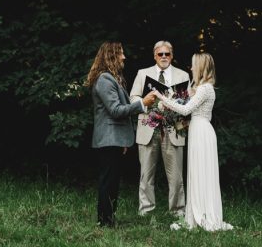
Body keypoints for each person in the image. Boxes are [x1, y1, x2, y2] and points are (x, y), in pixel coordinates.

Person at [153, 53, 233, 231]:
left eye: (193, 65)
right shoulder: (203, 88)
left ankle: (203, 215)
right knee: (198, 172)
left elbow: (186, 109)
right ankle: (199, 213)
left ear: (201, 67)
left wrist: (162, 98)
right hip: (198, 129)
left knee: (201, 171)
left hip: (202, 132)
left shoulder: (205, 89)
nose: (191, 68)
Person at [87, 41, 156, 227]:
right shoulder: (104, 80)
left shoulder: (111, 78)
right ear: (111, 55)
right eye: (121, 53)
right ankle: (105, 221)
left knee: (112, 182)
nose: (124, 57)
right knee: (108, 182)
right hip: (108, 139)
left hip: (114, 139)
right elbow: (116, 110)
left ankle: (108, 219)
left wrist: (123, 140)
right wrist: (143, 103)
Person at [129, 40, 190, 217]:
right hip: (149, 128)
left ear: (172, 55)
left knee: (176, 176)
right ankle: (146, 210)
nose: (164, 57)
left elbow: (188, 103)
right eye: (160, 54)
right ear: (154, 55)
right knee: (146, 174)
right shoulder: (143, 73)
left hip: (173, 129)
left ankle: (178, 211)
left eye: (167, 54)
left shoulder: (183, 75)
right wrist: (144, 102)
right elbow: (132, 97)